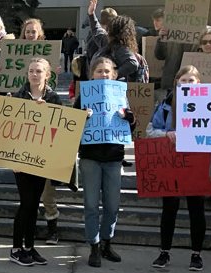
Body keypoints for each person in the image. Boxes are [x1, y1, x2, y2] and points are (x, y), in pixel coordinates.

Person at [74, 57, 136, 268]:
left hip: (113, 158)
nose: (103, 74)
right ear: (92, 75)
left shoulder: (120, 96)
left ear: (114, 75)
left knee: (112, 206)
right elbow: (71, 125)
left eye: (107, 71)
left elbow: (130, 127)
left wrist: (128, 117)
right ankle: (94, 246)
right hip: (90, 157)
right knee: (91, 205)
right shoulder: (84, 96)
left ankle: (106, 243)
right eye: (99, 71)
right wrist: (82, 116)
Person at [146, 65, 207, 271]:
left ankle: (196, 255)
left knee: (196, 209)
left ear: (199, 83)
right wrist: (166, 134)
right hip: (170, 163)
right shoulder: (165, 105)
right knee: (169, 209)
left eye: (191, 81)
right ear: (176, 82)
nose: (187, 84)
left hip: (196, 163)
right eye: (184, 80)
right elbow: (150, 131)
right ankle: (164, 252)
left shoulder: (209, 104)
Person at [7, 58, 61, 266]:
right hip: (21, 160)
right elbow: (9, 130)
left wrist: (47, 113)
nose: (34, 74)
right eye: (31, 71)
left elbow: (61, 129)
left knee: (34, 204)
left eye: (38, 71)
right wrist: (11, 158)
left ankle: (29, 247)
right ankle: (15, 249)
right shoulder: (17, 96)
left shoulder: (54, 98)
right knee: (26, 204)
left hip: (42, 159)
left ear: (47, 75)